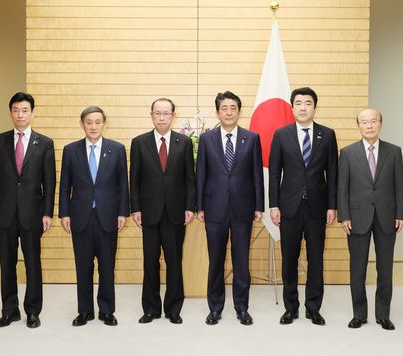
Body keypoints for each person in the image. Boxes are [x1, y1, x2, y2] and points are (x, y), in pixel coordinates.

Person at [269, 87, 338, 326]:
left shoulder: (327, 135)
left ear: (314, 107)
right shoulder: (281, 134)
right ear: (292, 107)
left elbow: (333, 173)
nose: (303, 107)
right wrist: (274, 205)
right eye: (298, 103)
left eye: (308, 103)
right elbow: (274, 172)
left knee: (316, 259)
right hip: (289, 207)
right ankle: (291, 308)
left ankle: (313, 308)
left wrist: (332, 205)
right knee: (289, 258)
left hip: (318, 209)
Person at [0, 92, 56, 328]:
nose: (20, 114)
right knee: (7, 263)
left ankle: (33, 311)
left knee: (32, 263)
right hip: (4, 213)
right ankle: (9, 310)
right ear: (10, 112)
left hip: (32, 214)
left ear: (32, 113)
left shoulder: (45, 143)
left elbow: (50, 182)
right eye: (16, 110)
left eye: (24, 110)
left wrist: (47, 213)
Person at [196, 91, 264, 326]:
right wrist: (199, 206)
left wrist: (258, 205)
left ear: (239, 111)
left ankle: (242, 308)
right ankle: (215, 308)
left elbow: (257, 174)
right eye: (224, 108)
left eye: (233, 108)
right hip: (214, 208)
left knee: (241, 261)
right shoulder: (206, 139)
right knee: (216, 261)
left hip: (243, 209)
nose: (228, 112)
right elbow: (201, 174)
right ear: (217, 112)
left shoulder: (252, 138)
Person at [59, 106, 129, 327]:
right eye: (89, 122)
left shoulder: (117, 149)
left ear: (104, 124)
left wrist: (122, 213)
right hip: (80, 216)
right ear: (82, 124)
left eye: (98, 122)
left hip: (108, 216)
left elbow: (122, 184)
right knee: (83, 267)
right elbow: (65, 186)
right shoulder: (70, 150)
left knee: (107, 266)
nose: (93, 126)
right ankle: (85, 311)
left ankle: (107, 310)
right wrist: (64, 213)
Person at [338, 108, 403, 330]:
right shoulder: (347, 153)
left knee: (385, 268)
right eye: (364, 122)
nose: (369, 125)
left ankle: (383, 315)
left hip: (387, 216)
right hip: (356, 217)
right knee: (357, 268)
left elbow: (400, 185)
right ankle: (359, 314)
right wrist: (344, 215)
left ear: (381, 123)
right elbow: (342, 188)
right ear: (358, 125)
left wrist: (401, 213)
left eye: (373, 121)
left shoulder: (394, 152)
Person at [130, 98, 195, 325]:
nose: (161, 117)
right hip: (148, 212)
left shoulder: (184, 142)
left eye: (166, 113)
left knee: (174, 261)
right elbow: (134, 180)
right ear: (151, 115)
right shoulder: (139, 143)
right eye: (157, 113)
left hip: (176, 212)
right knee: (150, 262)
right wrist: (135, 208)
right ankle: (150, 309)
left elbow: (190, 179)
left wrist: (190, 206)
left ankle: (173, 309)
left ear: (173, 116)